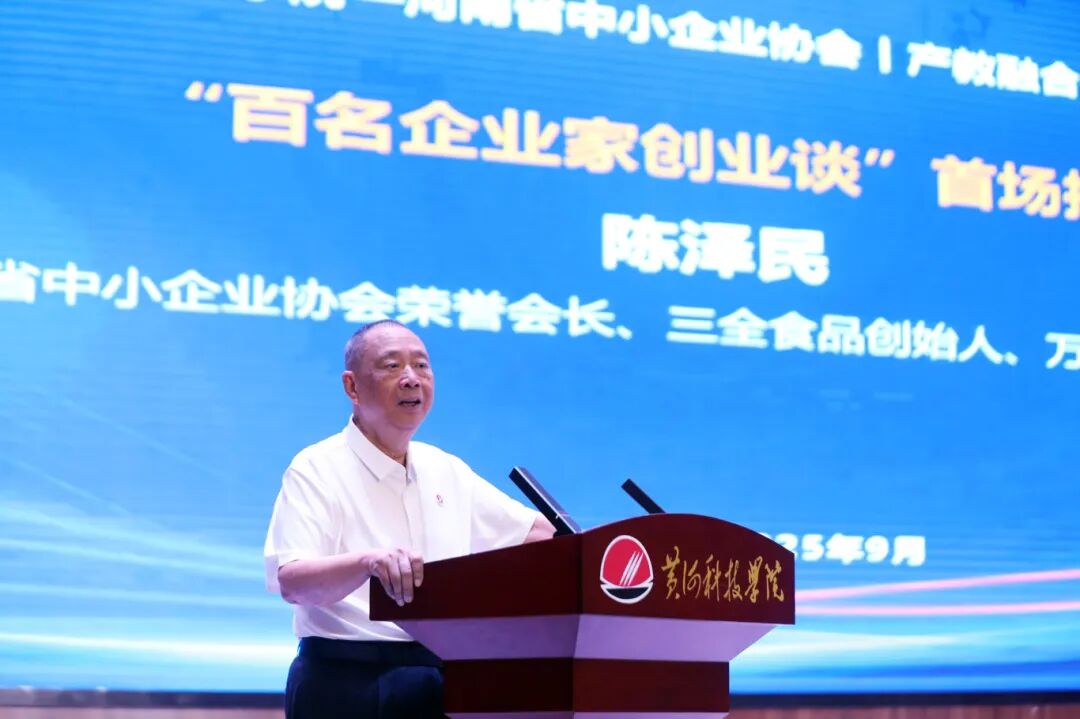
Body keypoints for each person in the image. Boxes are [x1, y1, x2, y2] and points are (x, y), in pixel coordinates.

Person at [264, 319, 556, 719]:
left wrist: (616, 552)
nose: (411, 379)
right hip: (344, 681)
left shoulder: (445, 468)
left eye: (421, 365)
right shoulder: (316, 468)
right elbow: (293, 582)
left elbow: (539, 536)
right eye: (391, 366)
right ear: (352, 387)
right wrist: (367, 562)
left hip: (440, 682)